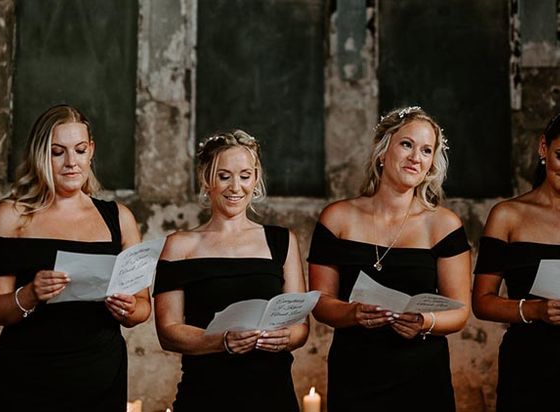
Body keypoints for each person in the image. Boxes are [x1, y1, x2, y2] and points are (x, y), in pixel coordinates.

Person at [0, 104, 151, 412]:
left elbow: (142, 307)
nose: (71, 162)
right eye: (58, 152)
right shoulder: (11, 215)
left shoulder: (119, 218)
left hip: (100, 376)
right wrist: (29, 293)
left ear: (91, 150)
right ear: (40, 154)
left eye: (79, 150)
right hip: (27, 377)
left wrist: (127, 308)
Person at [307, 105, 471, 412]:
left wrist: (425, 321)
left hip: (422, 376)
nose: (415, 158)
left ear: (431, 164)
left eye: (426, 151)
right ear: (383, 152)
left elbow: (460, 312)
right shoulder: (338, 218)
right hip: (355, 373)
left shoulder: (444, 225)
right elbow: (320, 302)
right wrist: (353, 313)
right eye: (407, 145)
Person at [153, 129, 309, 411]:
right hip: (205, 396)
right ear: (206, 179)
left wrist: (287, 337)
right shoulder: (179, 245)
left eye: (245, 176)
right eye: (224, 176)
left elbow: (300, 327)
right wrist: (221, 341)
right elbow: (167, 332)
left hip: (272, 397)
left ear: (256, 179)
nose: (236, 187)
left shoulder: (282, 241)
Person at [472, 111, 560, 411]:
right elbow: (482, 302)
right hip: (530, 366)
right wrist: (534, 309)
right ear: (543, 148)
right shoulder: (508, 215)